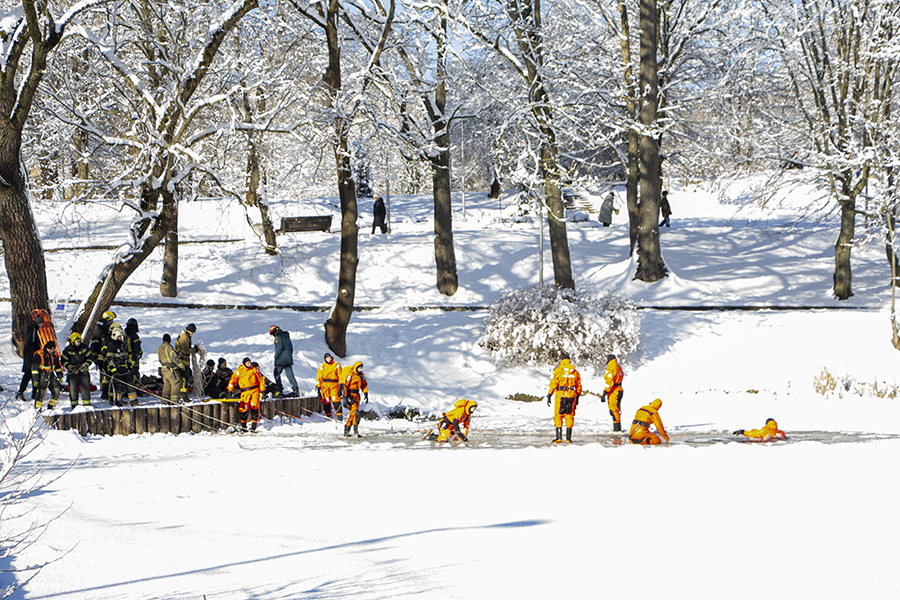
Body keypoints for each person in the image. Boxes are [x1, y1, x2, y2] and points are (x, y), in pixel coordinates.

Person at [547, 354, 582, 444]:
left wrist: (549, 394)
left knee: (558, 415)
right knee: (569, 415)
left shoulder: (559, 371)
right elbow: (578, 385)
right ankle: (568, 438)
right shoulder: (575, 372)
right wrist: (577, 395)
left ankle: (559, 437)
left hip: (561, 394)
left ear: (562, 361)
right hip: (571, 395)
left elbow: (554, 383)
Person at [102, 323, 138, 406]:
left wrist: (129, 366)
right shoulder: (111, 346)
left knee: (130, 385)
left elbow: (126, 356)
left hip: (124, 369)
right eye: (119, 337)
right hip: (117, 370)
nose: (120, 338)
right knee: (118, 387)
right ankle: (118, 401)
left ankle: (134, 402)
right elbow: (109, 359)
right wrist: (114, 370)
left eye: (121, 337)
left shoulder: (122, 345)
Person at [227, 357, 266, 432]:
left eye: (249, 363)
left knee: (254, 408)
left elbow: (261, 380)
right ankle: (243, 426)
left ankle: (253, 427)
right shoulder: (239, 371)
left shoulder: (255, 370)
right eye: (247, 363)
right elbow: (232, 381)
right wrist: (230, 390)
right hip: (245, 392)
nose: (249, 364)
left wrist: (263, 390)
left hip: (254, 391)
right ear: (244, 363)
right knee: (244, 409)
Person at [17, 313, 43, 402]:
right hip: (30, 356)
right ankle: (21, 392)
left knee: (33, 375)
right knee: (29, 374)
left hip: (30, 355)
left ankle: (35, 392)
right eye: (41, 324)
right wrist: (35, 353)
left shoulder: (32, 329)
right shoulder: (32, 329)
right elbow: (30, 342)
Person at [61, 332, 92, 407]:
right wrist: (69, 366)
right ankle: (74, 406)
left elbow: (90, 357)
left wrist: (86, 364)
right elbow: (63, 360)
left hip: (83, 372)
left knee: (85, 389)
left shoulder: (84, 348)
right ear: (72, 342)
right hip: (73, 373)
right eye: (76, 342)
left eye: (79, 341)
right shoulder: (68, 350)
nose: (78, 343)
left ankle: (87, 405)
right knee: (73, 389)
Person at [32, 339, 64, 410]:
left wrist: (59, 375)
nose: (51, 351)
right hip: (42, 375)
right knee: (41, 394)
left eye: (52, 349)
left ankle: (50, 407)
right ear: (46, 348)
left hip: (51, 375)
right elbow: (34, 368)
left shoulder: (54, 354)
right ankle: (37, 410)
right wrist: (35, 380)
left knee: (57, 392)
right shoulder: (39, 354)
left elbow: (57, 366)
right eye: (49, 349)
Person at [269, 325, 299, 397]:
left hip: (281, 359)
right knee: (290, 374)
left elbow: (279, 349)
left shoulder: (278, 337)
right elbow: (291, 348)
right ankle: (295, 388)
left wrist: (276, 358)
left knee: (276, 373)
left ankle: (279, 388)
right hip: (288, 358)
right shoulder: (286, 336)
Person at [340, 361, 368, 437]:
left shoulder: (361, 375)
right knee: (356, 413)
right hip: (350, 396)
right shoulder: (350, 375)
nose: (360, 369)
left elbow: (364, 384)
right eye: (359, 368)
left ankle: (348, 431)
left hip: (357, 395)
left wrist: (365, 393)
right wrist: (345, 397)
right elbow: (345, 386)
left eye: (361, 368)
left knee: (352, 415)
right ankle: (355, 432)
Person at [602, 354, 625, 432]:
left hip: (614, 391)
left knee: (613, 410)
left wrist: (605, 392)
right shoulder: (618, 368)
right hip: (619, 389)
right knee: (617, 410)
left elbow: (609, 382)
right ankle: (617, 427)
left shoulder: (611, 369)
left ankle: (617, 429)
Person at [316, 353, 343, 420]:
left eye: (330, 358)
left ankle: (340, 417)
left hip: (334, 385)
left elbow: (341, 376)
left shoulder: (336, 365)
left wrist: (342, 385)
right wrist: (318, 386)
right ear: (325, 359)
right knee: (326, 401)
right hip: (325, 386)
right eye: (327, 358)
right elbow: (319, 378)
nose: (329, 359)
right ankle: (329, 417)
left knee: (336, 400)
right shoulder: (322, 367)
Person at [175, 324, 197, 402]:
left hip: (184, 360)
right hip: (183, 361)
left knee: (185, 377)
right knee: (184, 378)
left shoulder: (184, 336)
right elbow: (185, 350)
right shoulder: (184, 337)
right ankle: (183, 395)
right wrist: (194, 350)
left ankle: (182, 395)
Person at [157, 333, 182, 404]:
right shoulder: (169, 347)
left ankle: (165, 400)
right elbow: (173, 357)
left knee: (167, 384)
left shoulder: (160, 348)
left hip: (163, 369)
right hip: (170, 369)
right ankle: (174, 401)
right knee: (176, 382)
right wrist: (181, 365)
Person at [124, 317, 143, 384]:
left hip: (125, 356)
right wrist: (140, 353)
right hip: (133, 357)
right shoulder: (134, 336)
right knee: (134, 372)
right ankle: (134, 387)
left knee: (127, 371)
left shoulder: (125, 335)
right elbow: (137, 347)